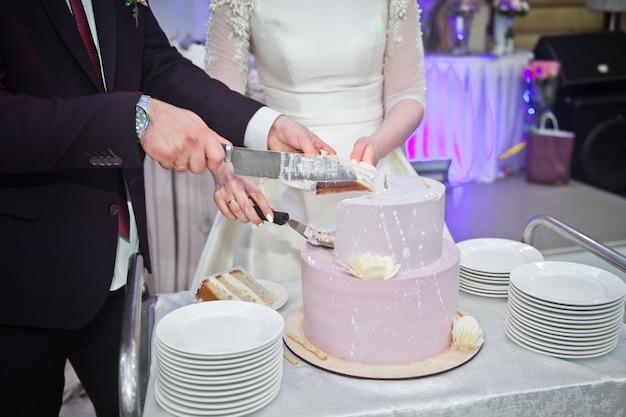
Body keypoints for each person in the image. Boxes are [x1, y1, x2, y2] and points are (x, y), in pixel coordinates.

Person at [0, 1, 333, 416]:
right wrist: (133, 118)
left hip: (120, 262)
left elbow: (160, 66)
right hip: (20, 279)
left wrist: (265, 125)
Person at [194, 0, 448, 283]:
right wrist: (223, 167)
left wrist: (377, 144)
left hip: (374, 171)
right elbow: (217, 99)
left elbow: (408, 92)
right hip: (280, 177)